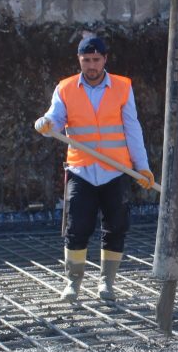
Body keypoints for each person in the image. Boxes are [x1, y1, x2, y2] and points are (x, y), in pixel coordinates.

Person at [35, 36, 154, 303]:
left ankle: (106, 283)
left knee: (116, 226)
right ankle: (73, 284)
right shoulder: (65, 89)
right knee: (76, 227)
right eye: (86, 60)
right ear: (79, 60)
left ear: (105, 59)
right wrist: (46, 124)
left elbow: (132, 128)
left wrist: (142, 167)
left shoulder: (123, 87)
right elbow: (55, 118)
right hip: (82, 170)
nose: (91, 65)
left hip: (116, 170)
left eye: (96, 60)